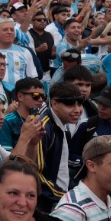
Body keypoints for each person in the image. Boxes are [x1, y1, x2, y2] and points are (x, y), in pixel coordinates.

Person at [30, 82, 85, 210]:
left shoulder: (62, 124)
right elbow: (36, 174)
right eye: (70, 104)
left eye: (80, 103)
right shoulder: (43, 128)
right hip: (45, 205)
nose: (77, 110)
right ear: (54, 103)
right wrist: (63, 197)